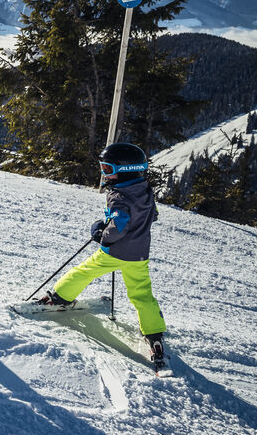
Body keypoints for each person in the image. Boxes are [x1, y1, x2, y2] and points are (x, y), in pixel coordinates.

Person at [38, 142, 169, 368]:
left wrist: (102, 234)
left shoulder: (118, 196)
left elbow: (118, 225)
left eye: (107, 169)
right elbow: (152, 215)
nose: (103, 173)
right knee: (141, 294)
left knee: (85, 271)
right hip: (139, 254)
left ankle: (60, 296)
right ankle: (154, 334)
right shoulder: (145, 191)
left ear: (124, 170)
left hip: (115, 252)